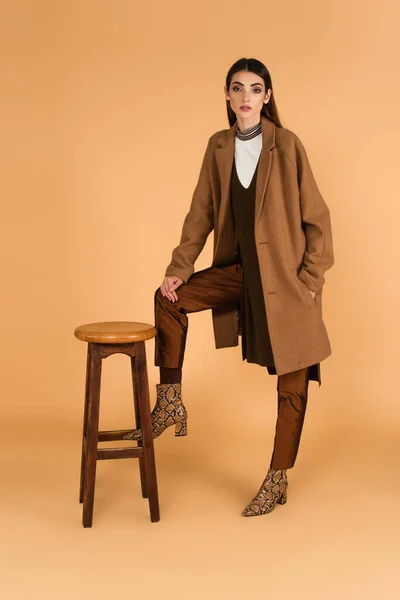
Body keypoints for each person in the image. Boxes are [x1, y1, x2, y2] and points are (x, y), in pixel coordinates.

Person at [124, 57, 334, 517]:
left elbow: (317, 219)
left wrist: (310, 278)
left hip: (285, 280)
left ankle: (276, 478)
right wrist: (180, 266)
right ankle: (171, 400)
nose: (245, 97)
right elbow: (199, 212)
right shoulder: (218, 147)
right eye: (237, 89)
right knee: (168, 300)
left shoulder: (288, 145)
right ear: (226, 95)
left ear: (267, 96)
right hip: (239, 273)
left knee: (293, 384)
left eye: (255, 89)